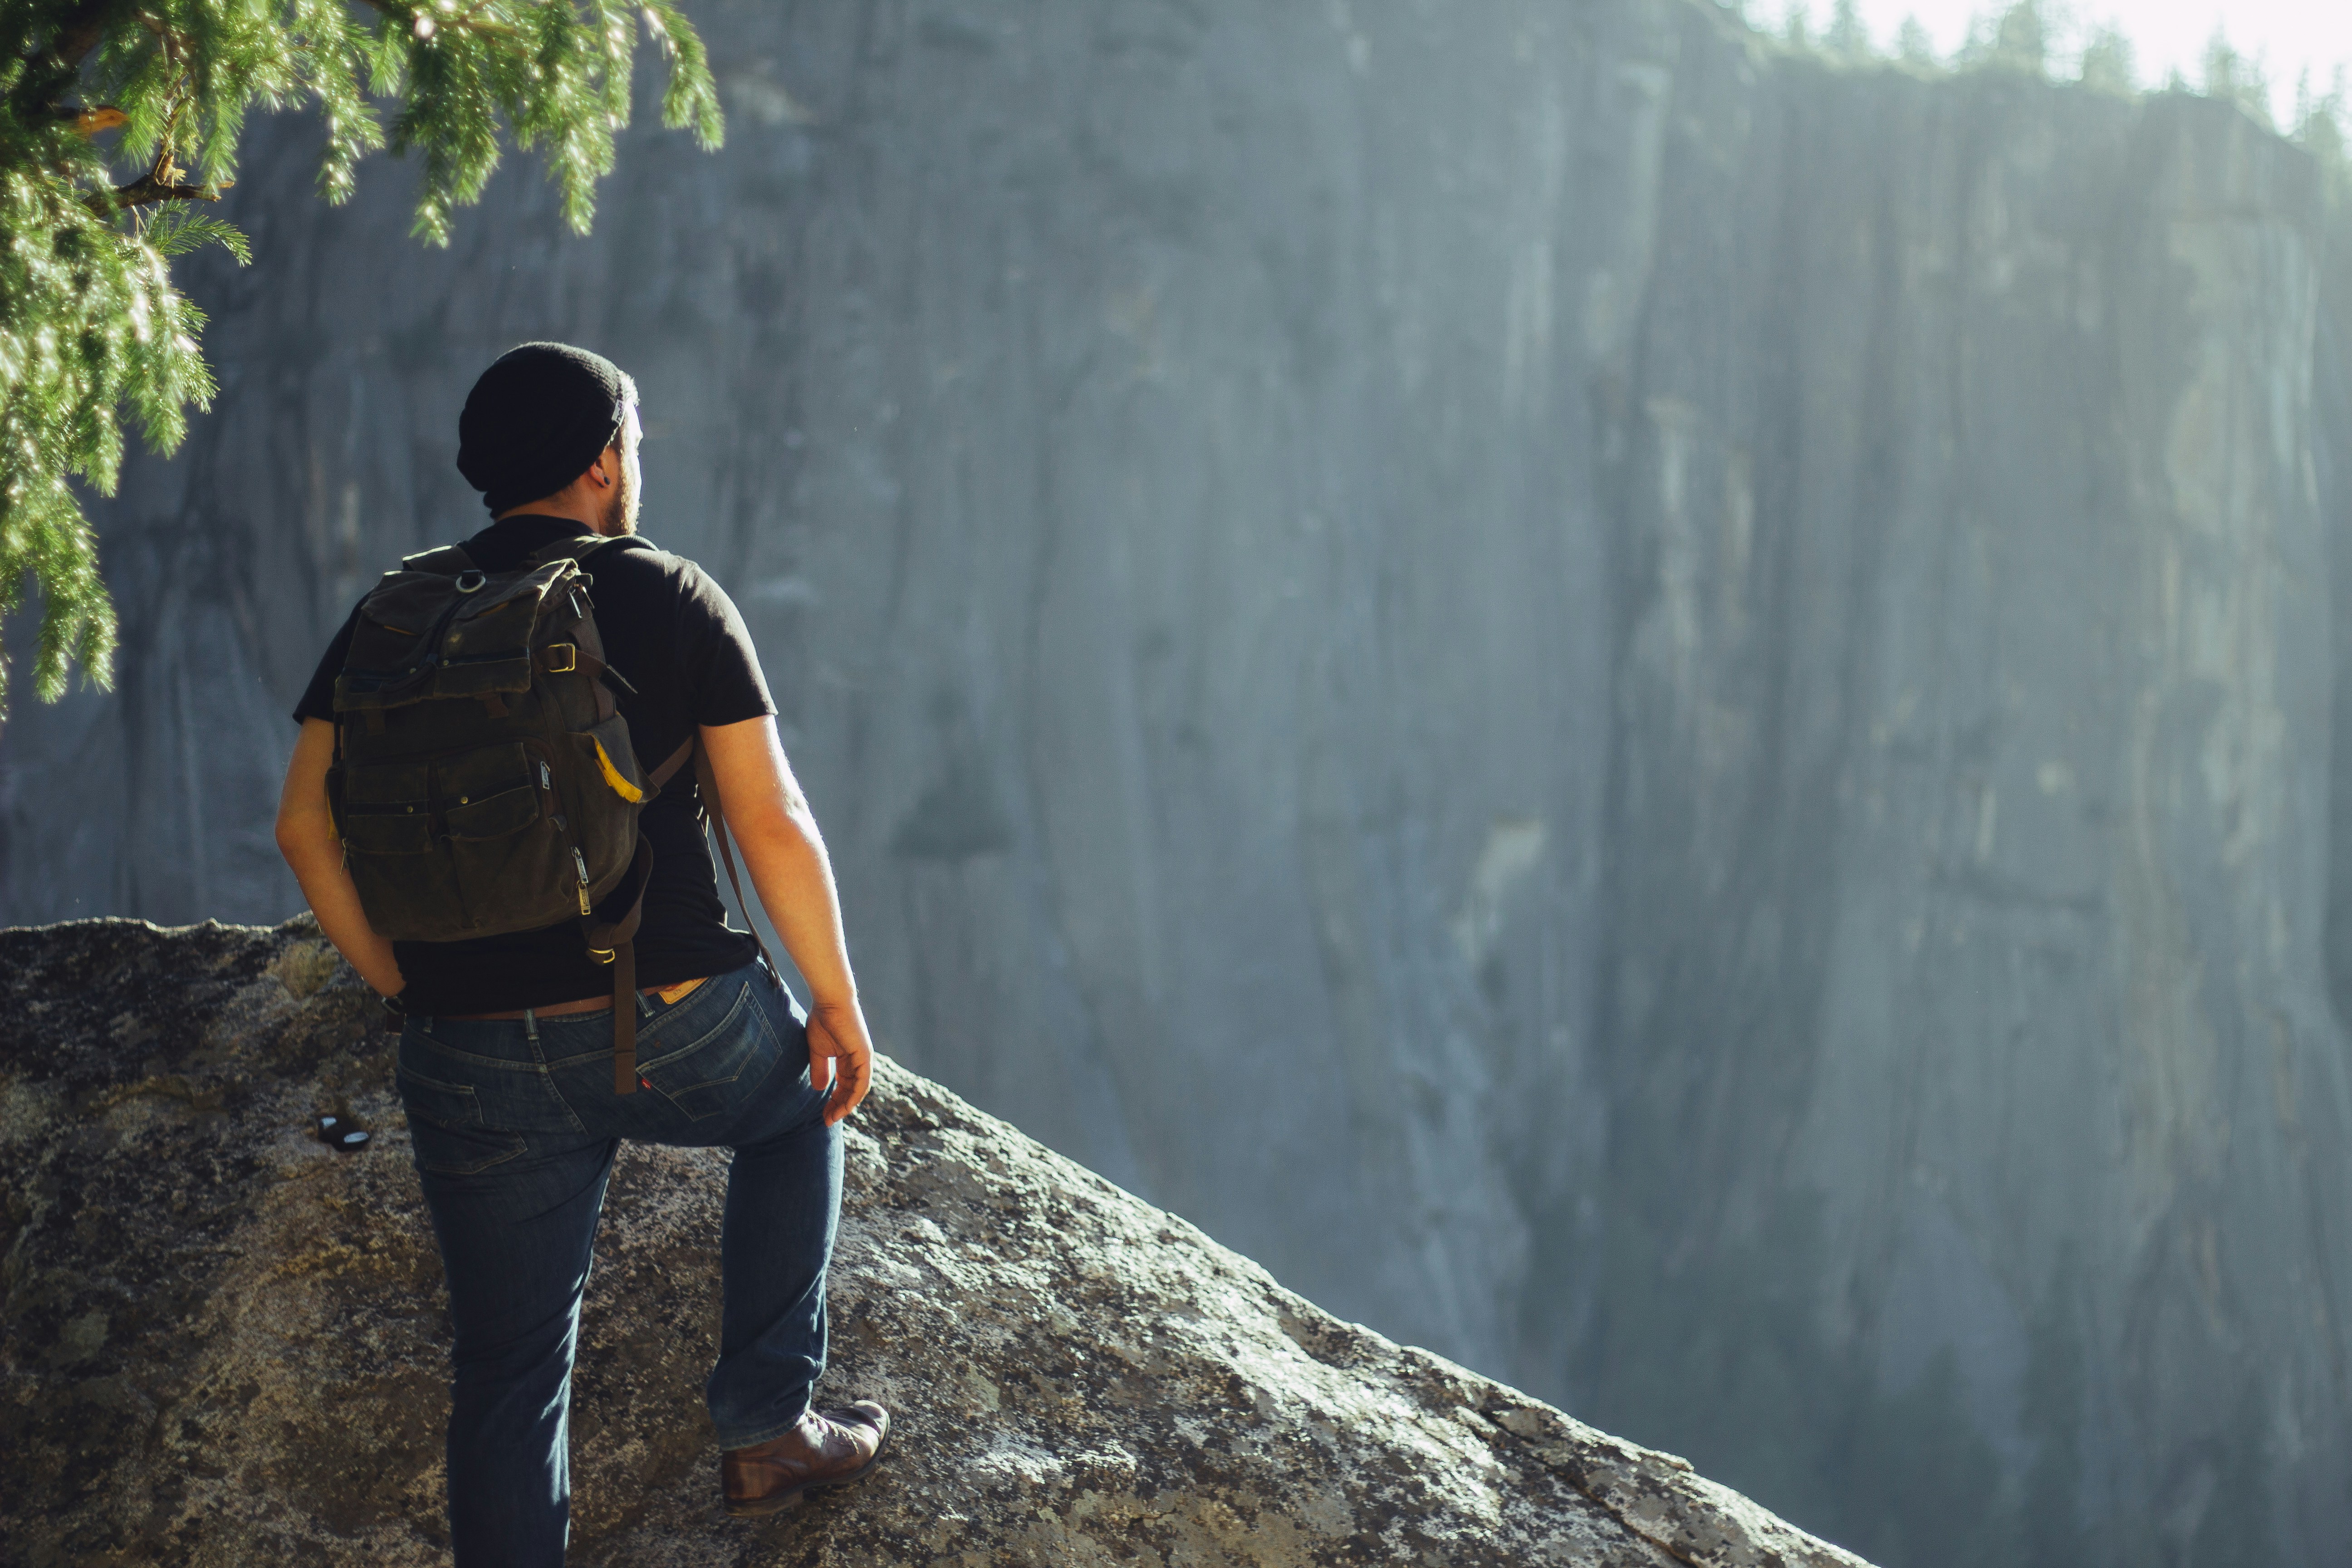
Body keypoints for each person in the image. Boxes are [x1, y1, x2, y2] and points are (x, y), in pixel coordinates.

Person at [273, 342, 888, 1564]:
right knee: (794, 1117)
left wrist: (412, 987)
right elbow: (771, 820)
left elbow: (301, 826)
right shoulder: (665, 592)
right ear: (606, 459)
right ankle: (767, 1427)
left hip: (464, 1047)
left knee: (509, 1371)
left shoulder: (396, 611)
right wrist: (836, 1004)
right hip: (666, 1009)